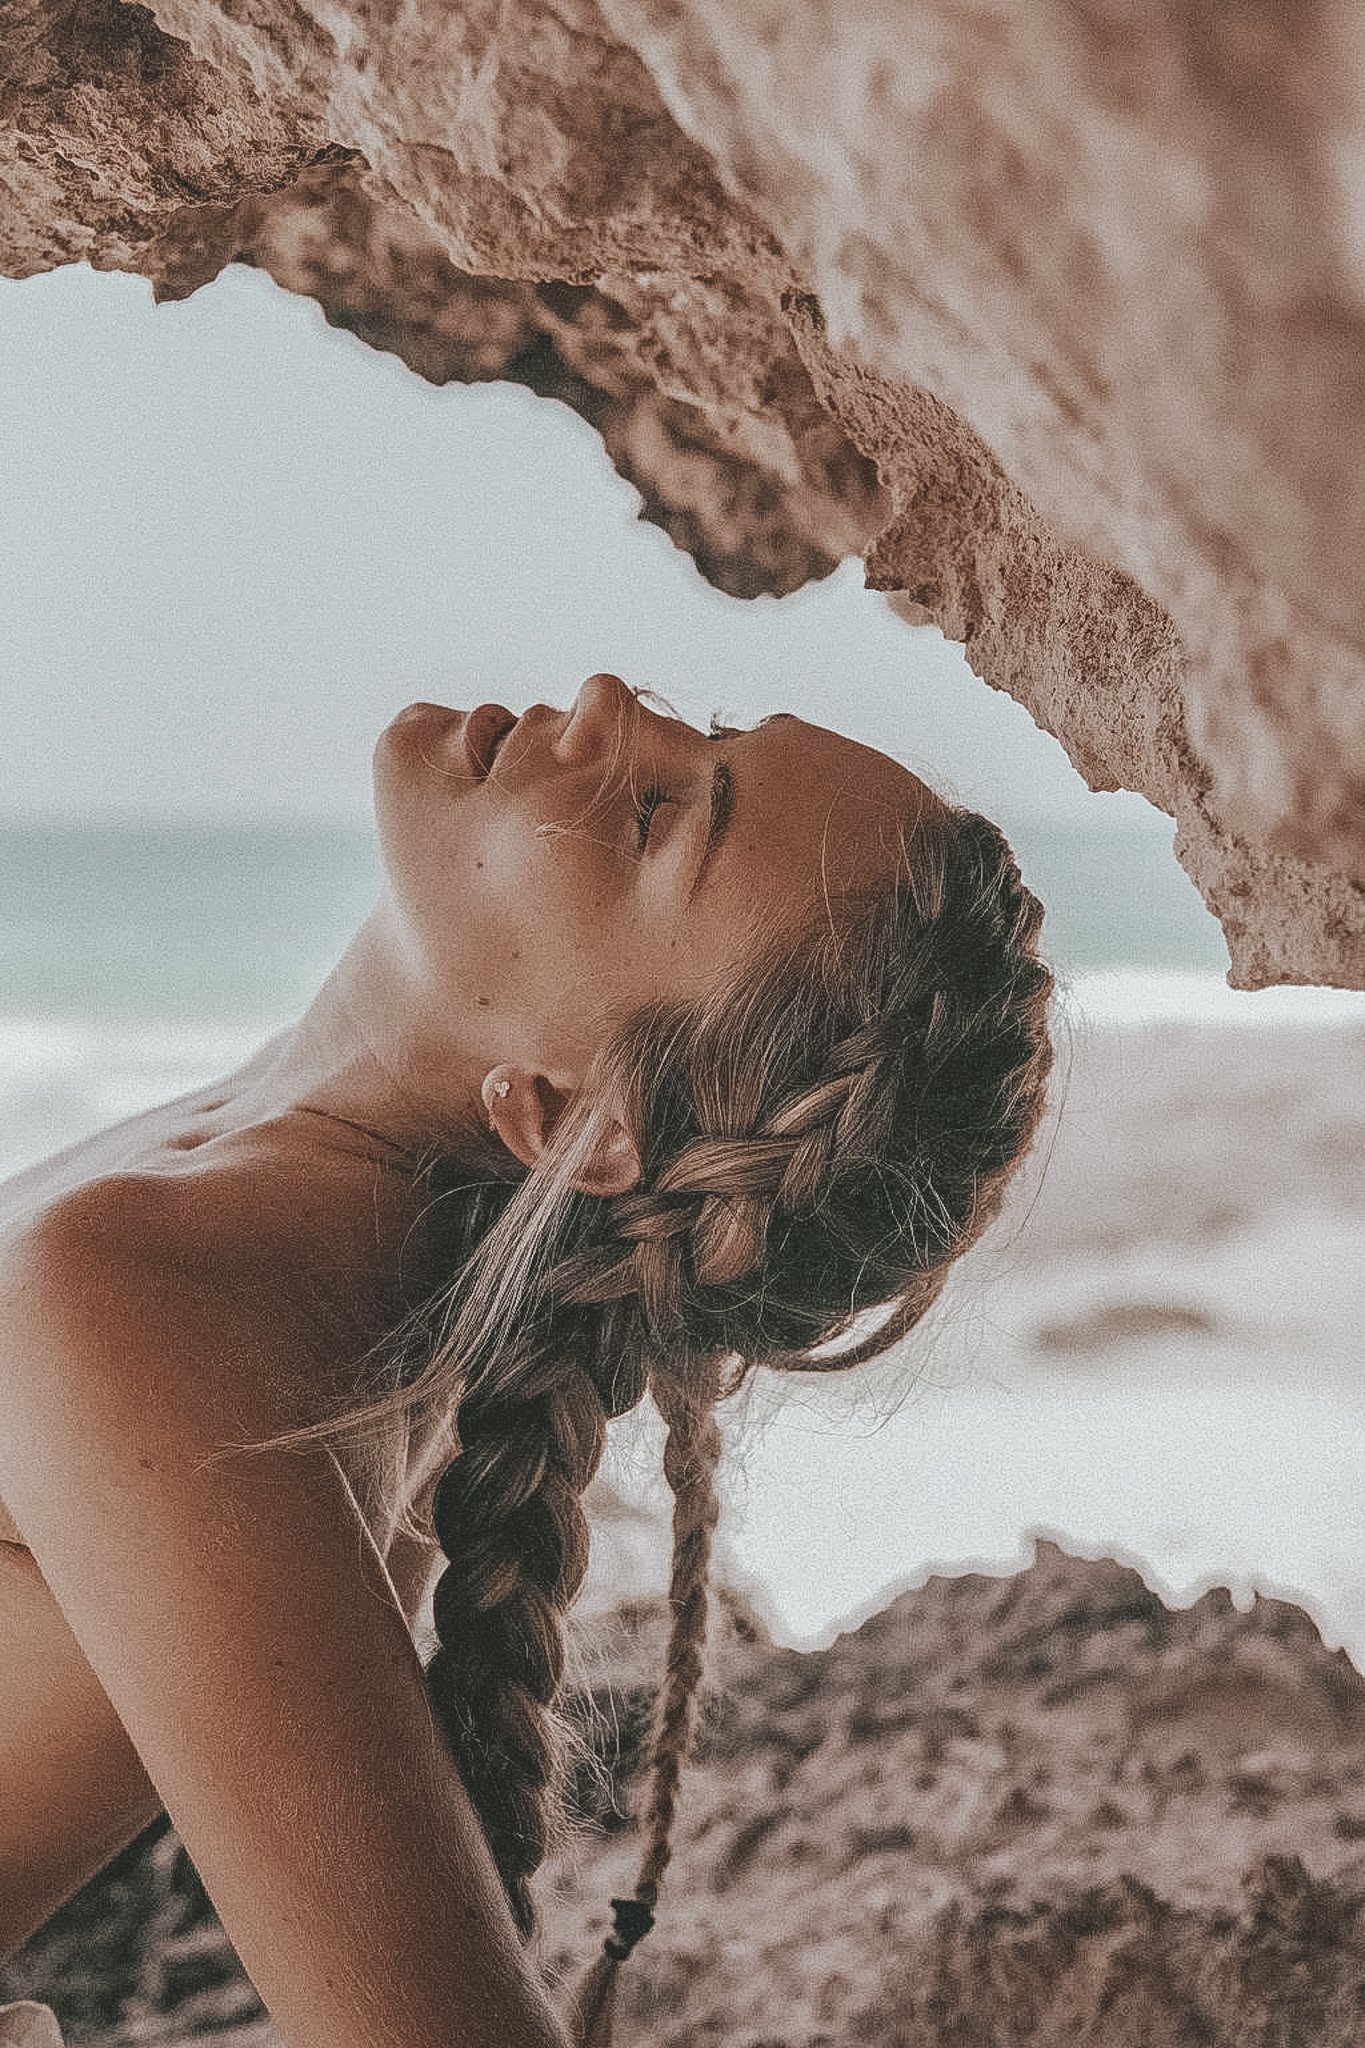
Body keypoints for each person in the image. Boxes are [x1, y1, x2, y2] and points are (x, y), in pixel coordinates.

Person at [0, 672, 1053, 2048]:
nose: (616, 702)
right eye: (714, 725)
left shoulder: (161, 1319)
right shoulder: (209, 1228)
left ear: (575, 1118)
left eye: (661, 818)